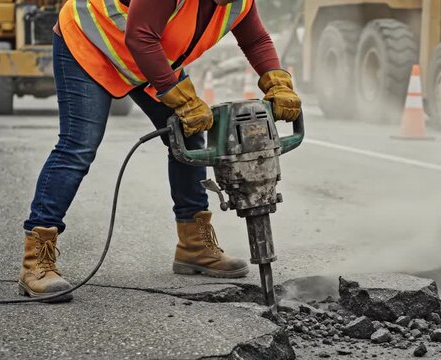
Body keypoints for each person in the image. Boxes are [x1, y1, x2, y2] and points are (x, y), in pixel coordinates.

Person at [18, 0, 301, 300]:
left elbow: (256, 39)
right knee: (79, 145)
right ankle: (36, 259)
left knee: (189, 135)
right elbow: (139, 35)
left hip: (148, 54)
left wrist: (278, 81)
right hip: (92, 44)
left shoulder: (240, 2)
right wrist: (182, 100)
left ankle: (193, 245)